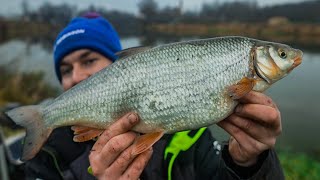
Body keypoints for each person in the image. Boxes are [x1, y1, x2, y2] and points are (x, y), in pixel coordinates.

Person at [24, 12, 284, 180]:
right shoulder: (49, 153)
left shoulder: (189, 140)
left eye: (89, 60)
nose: (78, 76)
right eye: (66, 69)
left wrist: (249, 163)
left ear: (121, 67)